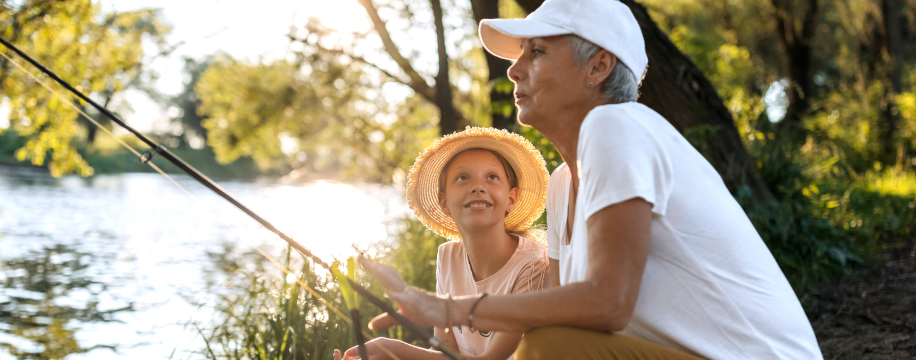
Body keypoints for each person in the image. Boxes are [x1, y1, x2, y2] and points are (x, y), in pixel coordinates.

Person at [355, 0, 825, 359]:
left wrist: (447, 309)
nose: (514, 68)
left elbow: (607, 305)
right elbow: (567, 322)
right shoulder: (562, 184)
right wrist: (402, 352)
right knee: (547, 343)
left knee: (549, 347)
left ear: (598, 67)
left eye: (536, 51)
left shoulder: (616, 125)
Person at [334, 127, 551, 360]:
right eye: (463, 178)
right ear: (444, 202)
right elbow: (445, 353)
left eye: (492, 177)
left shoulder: (535, 267)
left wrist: (398, 351)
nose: (478, 186)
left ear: (511, 198)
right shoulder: (448, 256)